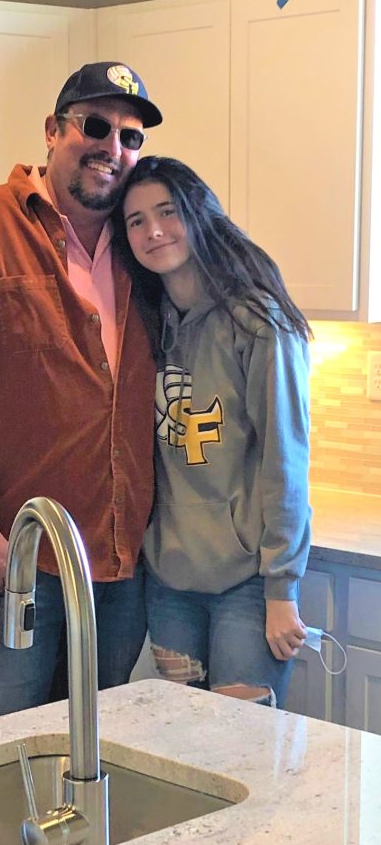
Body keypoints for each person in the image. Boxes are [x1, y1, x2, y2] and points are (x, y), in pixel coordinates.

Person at [0, 62, 163, 725]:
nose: (113, 149)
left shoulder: (144, 243)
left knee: (99, 749)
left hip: (121, 562)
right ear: (52, 130)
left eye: (131, 137)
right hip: (17, 559)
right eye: (95, 127)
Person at [112, 155, 312, 708]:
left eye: (167, 211)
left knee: (243, 753)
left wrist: (282, 589)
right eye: (135, 221)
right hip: (170, 583)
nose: (153, 231)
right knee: (188, 753)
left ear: (199, 214)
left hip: (248, 585)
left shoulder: (260, 323)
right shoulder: (147, 328)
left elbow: (285, 464)